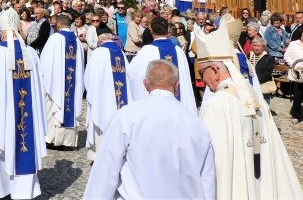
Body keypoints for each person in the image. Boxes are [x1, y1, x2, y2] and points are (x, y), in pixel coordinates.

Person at [194, 22, 303, 199]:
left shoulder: (216, 104)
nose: (202, 79)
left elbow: (208, 158)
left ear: (215, 70)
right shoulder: (253, 94)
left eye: (202, 72)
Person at [84, 59, 216, 200]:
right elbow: (207, 182)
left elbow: (106, 170)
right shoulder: (197, 125)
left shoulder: (126, 117)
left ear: (145, 84)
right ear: (177, 86)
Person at [0, 7, 47, 199]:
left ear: (2, 33)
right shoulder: (30, 53)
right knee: (24, 139)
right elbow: (39, 85)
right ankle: (23, 191)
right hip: (26, 115)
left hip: (0, 115)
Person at [126, 16, 196, 114]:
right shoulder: (178, 51)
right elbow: (184, 79)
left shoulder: (146, 51)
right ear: (167, 30)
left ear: (151, 31)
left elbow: (132, 74)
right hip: (178, 105)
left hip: (153, 107)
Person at [40, 12, 84, 150]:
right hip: (72, 84)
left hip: (56, 84)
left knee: (53, 106)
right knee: (69, 104)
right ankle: (67, 140)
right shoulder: (76, 40)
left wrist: (44, 80)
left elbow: (45, 63)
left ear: (58, 24)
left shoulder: (55, 38)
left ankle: (51, 139)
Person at [83, 33, 129, 161]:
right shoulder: (121, 53)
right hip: (119, 98)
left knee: (100, 119)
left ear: (101, 40)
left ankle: (99, 155)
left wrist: (91, 92)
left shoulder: (99, 53)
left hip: (101, 97)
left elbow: (89, 75)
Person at [248, 37, 276, 106]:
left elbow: (267, 73)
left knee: (264, 106)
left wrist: (256, 81)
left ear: (263, 47)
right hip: (250, 84)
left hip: (263, 85)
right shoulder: (248, 56)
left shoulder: (268, 58)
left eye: (259, 46)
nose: (256, 48)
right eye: (255, 45)